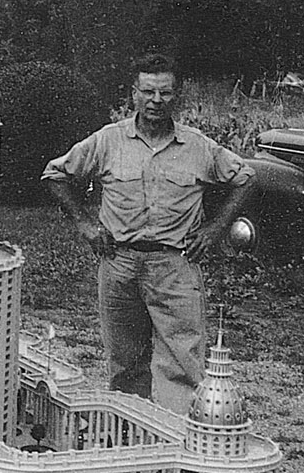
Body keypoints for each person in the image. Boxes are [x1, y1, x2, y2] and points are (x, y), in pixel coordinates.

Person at [43, 53, 254, 417]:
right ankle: (131, 443)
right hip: (119, 265)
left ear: (177, 96)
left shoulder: (199, 146)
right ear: (134, 94)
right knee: (125, 363)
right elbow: (55, 175)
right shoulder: (108, 141)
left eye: (166, 93)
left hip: (175, 267)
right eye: (148, 91)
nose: (157, 101)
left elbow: (246, 177)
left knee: (182, 365)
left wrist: (217, 228)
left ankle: (178, 448)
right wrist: (84, 223)